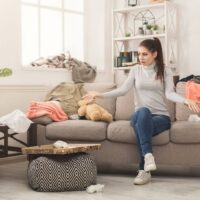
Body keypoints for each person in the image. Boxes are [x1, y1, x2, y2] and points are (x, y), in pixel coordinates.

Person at [82, 37, 200, 185]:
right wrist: (99, 94)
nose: (140, 58)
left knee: (142, 127)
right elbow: (123, 90)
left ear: (154, 54)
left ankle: (144, 170)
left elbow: (170, 93)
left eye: (144, 54)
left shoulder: (165, 70)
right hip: (139, 114)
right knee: (143, 113)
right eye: (139, 54)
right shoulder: (135, 70)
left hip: (161, 118)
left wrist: (185, 100)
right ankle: (148, 156)